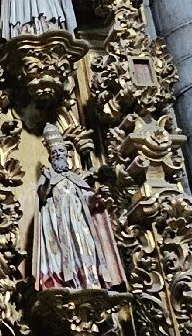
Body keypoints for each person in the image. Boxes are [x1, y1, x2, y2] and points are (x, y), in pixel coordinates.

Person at [33, 124, 125, 290]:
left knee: (85, 246)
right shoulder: (48, 177)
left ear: (67, 155)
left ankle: (89, 280)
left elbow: (87, 198)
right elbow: (41, 197)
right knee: (62, 252)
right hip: (58, 225)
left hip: (79, 223)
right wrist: (46, 181)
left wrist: (96, 196)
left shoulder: (76, 179)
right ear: (50, 158)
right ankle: (65, 280)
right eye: (54, 153)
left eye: (60, 152)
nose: (58, 155)